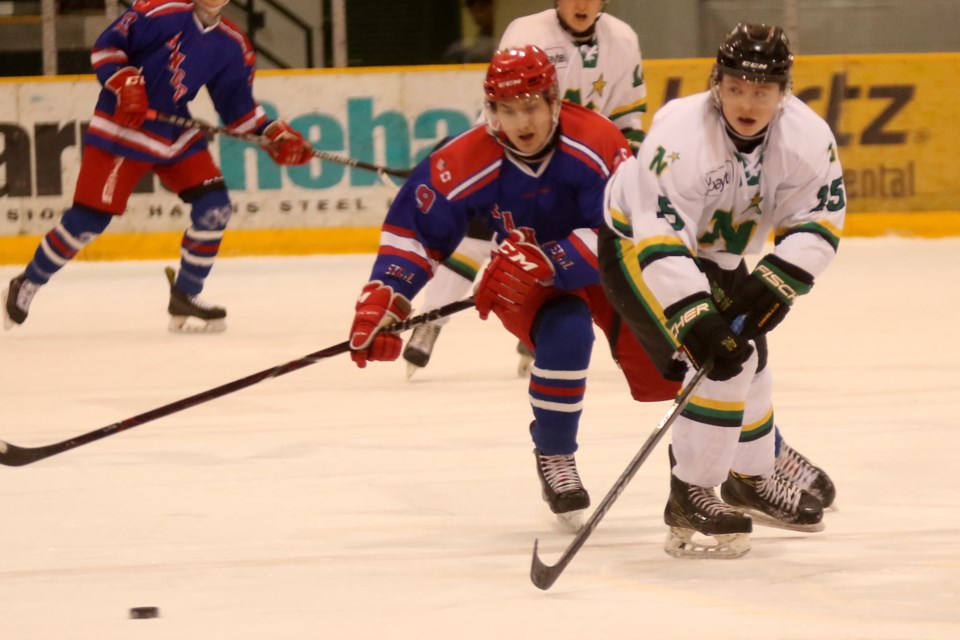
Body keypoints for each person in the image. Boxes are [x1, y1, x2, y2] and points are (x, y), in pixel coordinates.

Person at [348, 45, 679, 531]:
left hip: (609, 269)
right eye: (507, 110)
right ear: (491, 111)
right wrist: (388, 297)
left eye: (530, 107)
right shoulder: (464, 160)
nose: (520, 122)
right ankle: (556, 455)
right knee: (567, 332)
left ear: (553, 101)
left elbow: (620, 228)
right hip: (522, 278)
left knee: (676, 364)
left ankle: (755, 456)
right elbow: (416, 231)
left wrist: (551, 258)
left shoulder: (597, 141)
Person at [598, 23, 845, 558]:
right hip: (637, 249)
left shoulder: (806, 137)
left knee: (748, 355)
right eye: (736, 88)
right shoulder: (679, 136)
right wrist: (693, 315)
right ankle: (690, 492)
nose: (747, 102)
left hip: (717, 255)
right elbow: (659, 239)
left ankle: (750, 479)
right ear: (717, 84)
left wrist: (780, 276)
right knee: (717, 359)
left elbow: (821, 217)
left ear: (784, 92)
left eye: (762, 91)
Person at [1, 0, 313, 334]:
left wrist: (274, 134)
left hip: (174, 132)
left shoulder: (232, 43)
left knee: (215, 207)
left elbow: (238, 109)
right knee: (87, 221)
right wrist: (125, 83)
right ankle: (28, 281)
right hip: (123, 128)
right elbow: (107, 48)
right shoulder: (158, 11)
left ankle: (186, 295)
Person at [403, 0, 647, 377]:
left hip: (579, 169)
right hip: (516, 158)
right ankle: (431, 319)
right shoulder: (526, 33)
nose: (581, 3)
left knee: (587, 245)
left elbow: (627, 118)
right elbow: (502, 107)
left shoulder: (623, 39)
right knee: (477, 237)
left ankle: (547, 321)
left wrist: (625, 170)